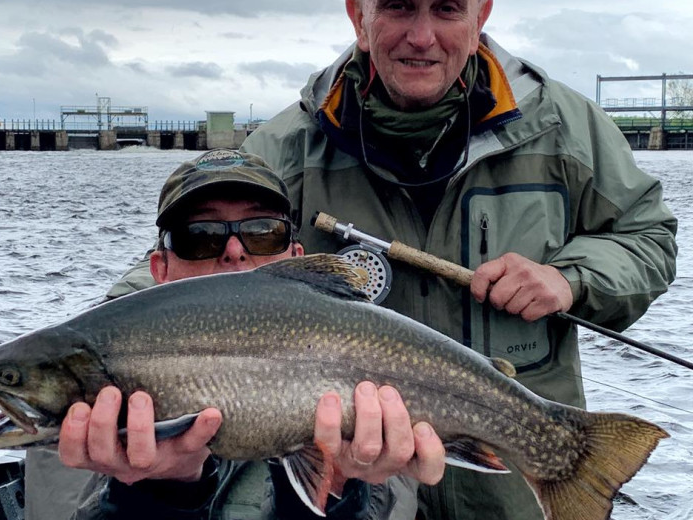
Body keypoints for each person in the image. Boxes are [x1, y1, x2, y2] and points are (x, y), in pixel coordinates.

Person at [236, 1, 678, 519]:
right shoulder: (281, 150)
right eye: (399, 7)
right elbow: (174, 272)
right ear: (359, 17)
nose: (422, 37)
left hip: (515, 496)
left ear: (480, 18)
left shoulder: (565, 128)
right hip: (355, 498)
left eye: (446, 9)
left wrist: (570, 278)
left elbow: (648, 237)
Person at [52, 149, 444, 520]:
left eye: (263, 232)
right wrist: (159, 487)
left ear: (296, 257)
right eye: (200, 235)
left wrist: (342, 489)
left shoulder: (372, 366)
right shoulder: (93, 392)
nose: (235, 250)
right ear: (160, 270)